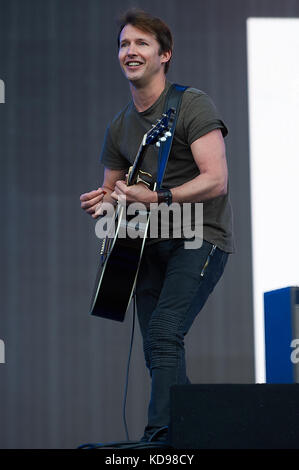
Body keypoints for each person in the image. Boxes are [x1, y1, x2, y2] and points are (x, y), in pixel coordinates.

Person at [80, 9, 234, 445]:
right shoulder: (119, 126)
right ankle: (178, 436)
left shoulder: (191, 104)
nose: (131, 51)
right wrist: (103, 200)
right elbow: (114, 191)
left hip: (199, 235)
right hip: (146, 242)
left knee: (166, 332)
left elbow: (216, 179)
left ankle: (163, 437)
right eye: (125, 44)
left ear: (164, 54)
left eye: (142, 44)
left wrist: (159, 197)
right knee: (158, 347)